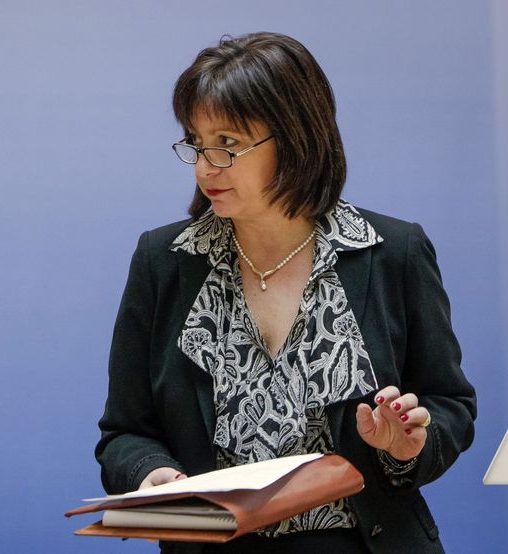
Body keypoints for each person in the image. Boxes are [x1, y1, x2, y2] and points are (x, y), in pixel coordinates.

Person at [95, 32, 476, 553]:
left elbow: (450, 403)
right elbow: (123, 432)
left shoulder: (393, 252)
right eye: (196, 142)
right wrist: (152, 474)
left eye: (227, 144)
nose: (206, 166)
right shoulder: (164, 262)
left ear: (296, 138)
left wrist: (407, 444)